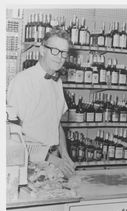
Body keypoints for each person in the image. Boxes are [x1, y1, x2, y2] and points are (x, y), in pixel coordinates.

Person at [7, 27, 75, 178]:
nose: (59, 57)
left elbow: (56, 124)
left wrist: (64, 155)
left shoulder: (57, 82)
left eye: (64, 53)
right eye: (55, 50)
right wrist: (52, 160)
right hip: (29, 165)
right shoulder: (23, 82)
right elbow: (12, 135)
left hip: (52, 162)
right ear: (42, 50)